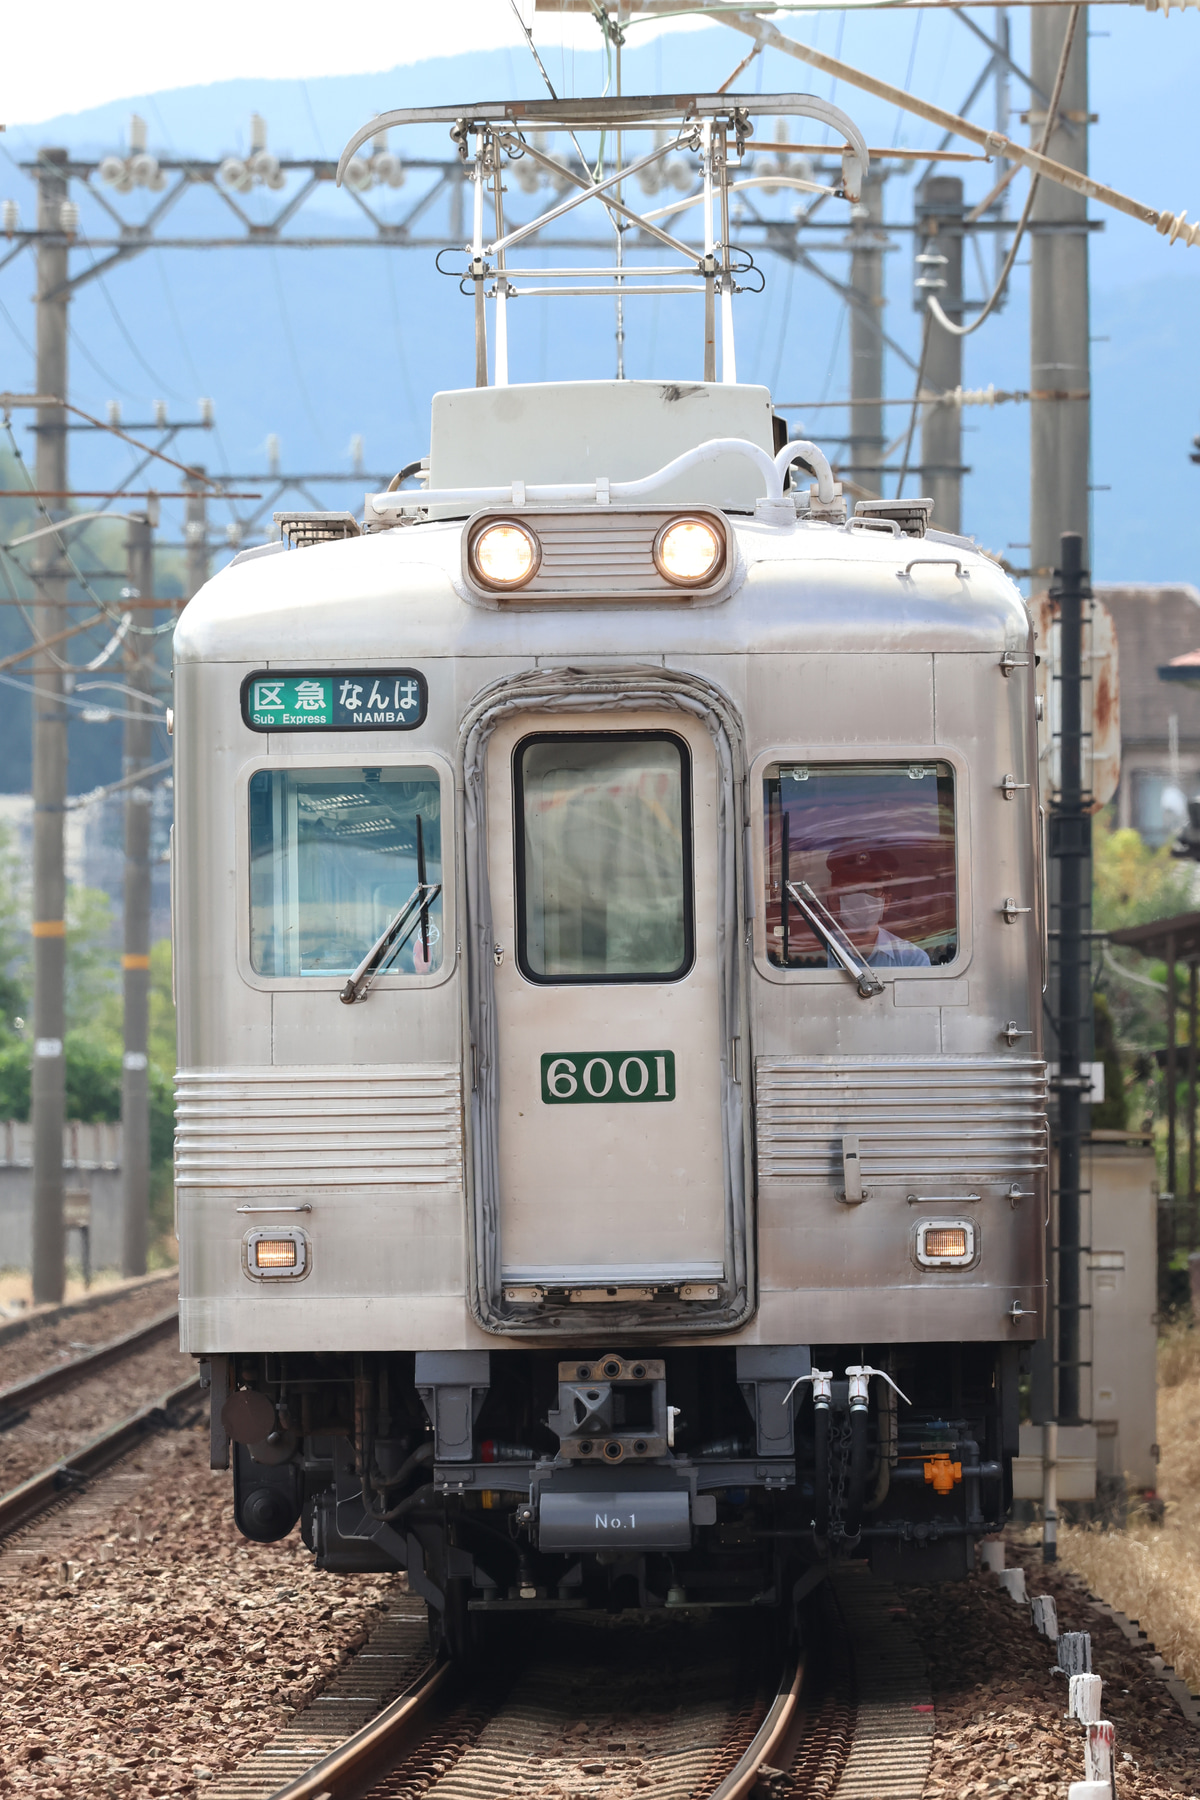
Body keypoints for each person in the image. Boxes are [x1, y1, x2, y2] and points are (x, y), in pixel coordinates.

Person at [824, 846, 930, 968]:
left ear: (886, 902)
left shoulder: (912, 961)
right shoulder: (816, 956)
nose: (863, 898)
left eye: (873, 889)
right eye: (852, 888)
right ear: (834, 900)